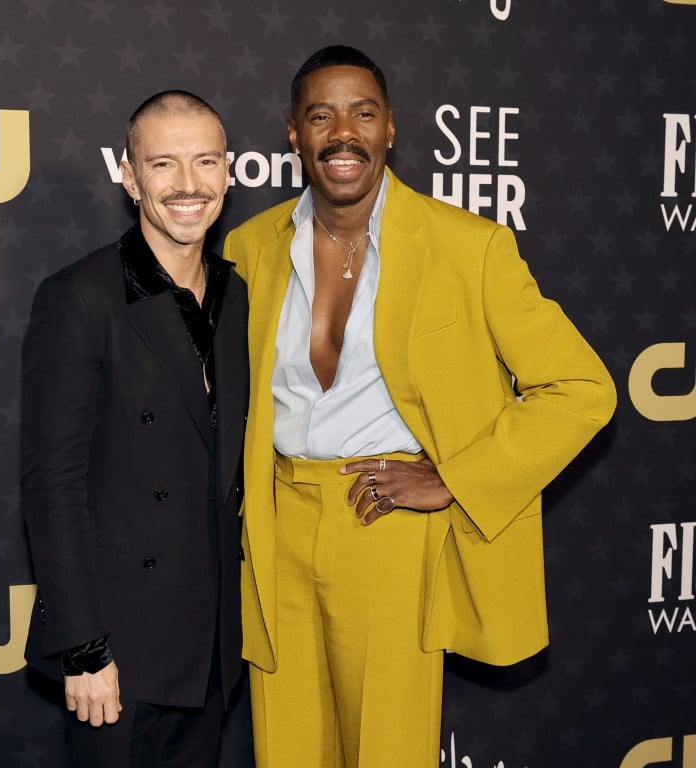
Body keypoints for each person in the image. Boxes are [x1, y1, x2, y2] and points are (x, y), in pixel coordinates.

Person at [223, 46, 617, 768]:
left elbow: (583, 390)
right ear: (292, 134)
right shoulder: (248, 249)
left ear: (391, 129)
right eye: (322, 115)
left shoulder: (468, 247)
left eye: (363, 113)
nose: (344, 132)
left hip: (386, 530)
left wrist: (456, 477)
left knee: (387, 750)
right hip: (276, 531)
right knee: (284, 750)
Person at [21, 90, 249, 768]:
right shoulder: (81, 296)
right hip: (116, 654)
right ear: (128, 176)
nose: (188, 185)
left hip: (206, 649)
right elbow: (50, 485)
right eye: (164, 164)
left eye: (205, 162)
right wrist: (85, 647)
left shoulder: (238, 297)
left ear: (229, 173)